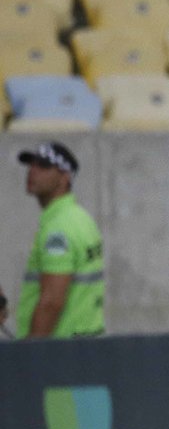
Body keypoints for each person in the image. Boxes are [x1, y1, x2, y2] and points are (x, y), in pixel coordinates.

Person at [15, 141, 105, 338]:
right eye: (31, 164)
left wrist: (30, 352)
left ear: (64, 178)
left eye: (43, 166)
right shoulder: (81, 218)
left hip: (60, 349)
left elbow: (51, 302)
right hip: (86, 343)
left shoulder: (58, 230)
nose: (32, 171)